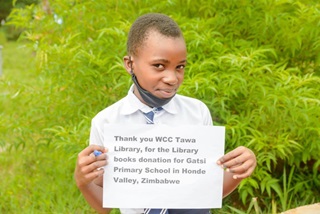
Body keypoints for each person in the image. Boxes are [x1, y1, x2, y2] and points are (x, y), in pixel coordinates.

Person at [74, 13, 257, 214]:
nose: (172, 78)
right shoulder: (106, 122)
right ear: (130, 64)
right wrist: (83, 182)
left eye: (180, 67)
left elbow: (206, 192)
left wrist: (239, 171)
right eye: (159, 66)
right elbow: (104, 205)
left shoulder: (197, 113)